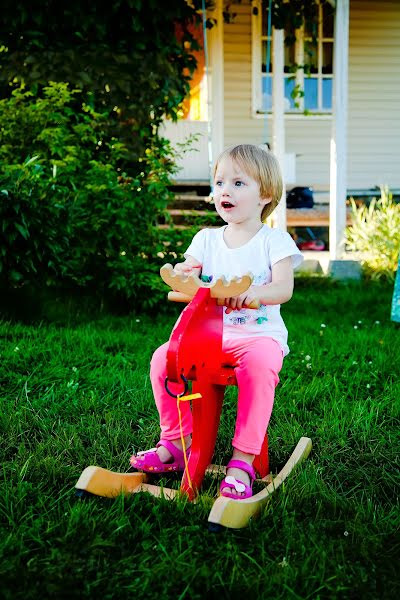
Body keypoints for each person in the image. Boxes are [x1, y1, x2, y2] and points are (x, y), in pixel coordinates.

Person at [130, 144, 303, 499]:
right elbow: (189, 271)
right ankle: (175, 443)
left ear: (265, 194)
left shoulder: (274, 240)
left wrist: (255, 292)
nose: (225, 190)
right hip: (209, 337)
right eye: (220, 182)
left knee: (260, 367)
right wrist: (182, 274)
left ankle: (243, 461)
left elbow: (284, 288)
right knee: (164, 359)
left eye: (238, 183)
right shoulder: (206, 239)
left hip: (257, 337)